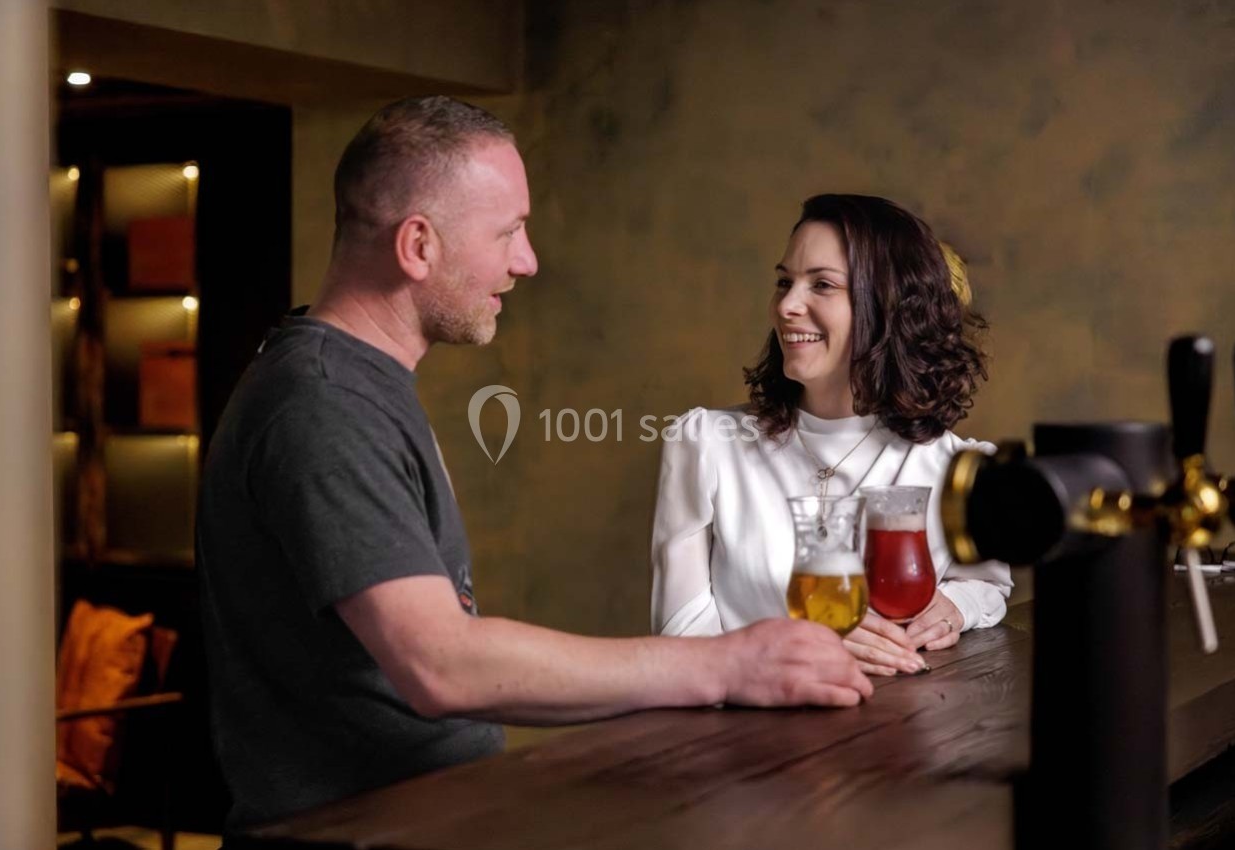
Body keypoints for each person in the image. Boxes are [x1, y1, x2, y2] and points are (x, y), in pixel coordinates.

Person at [196, 97, 873, 832]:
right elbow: (441, 666)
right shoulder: (324, 405)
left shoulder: (353, 385)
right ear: (418, 246)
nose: (527, 260)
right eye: (509, 231)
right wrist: (727, 665)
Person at [650, 194, 1011, 677]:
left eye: (821, 284)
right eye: (784, 282)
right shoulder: (706, 444)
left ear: (889, 307)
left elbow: (989, 585)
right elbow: (680, 635)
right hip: (746, 739)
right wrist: (802, 645)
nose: (786, 305)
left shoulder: (955, 468)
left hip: (902, 736)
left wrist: (957, 604)